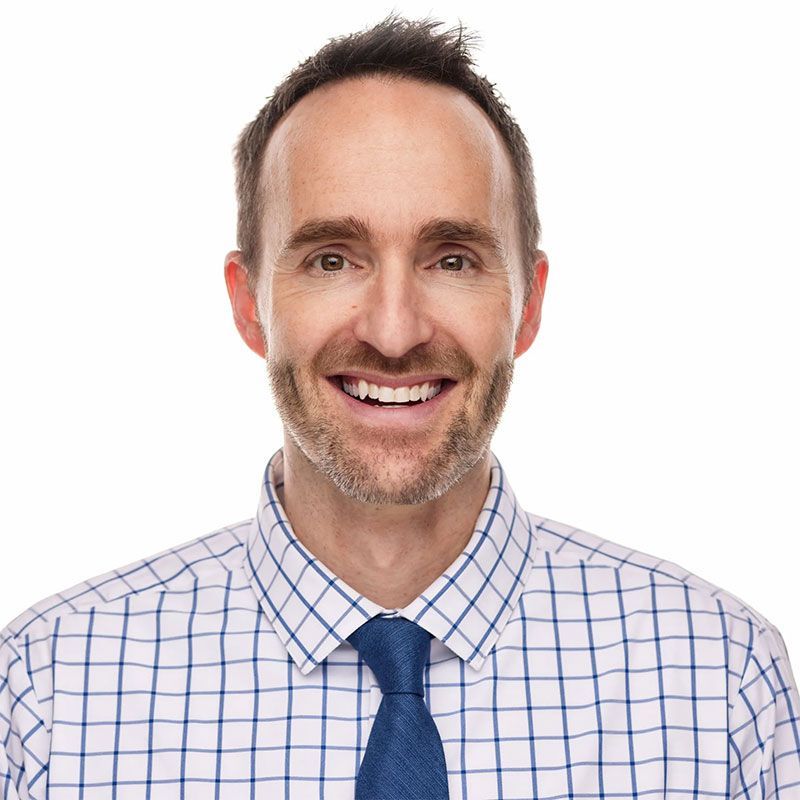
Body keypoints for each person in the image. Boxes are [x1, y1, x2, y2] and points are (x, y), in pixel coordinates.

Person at [2, 13, 798, 800]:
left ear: (528, 305)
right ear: (249, 306)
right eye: (332, 258)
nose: (393, 331)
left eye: (452, 258)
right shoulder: (49, 693)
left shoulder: (720, 684)